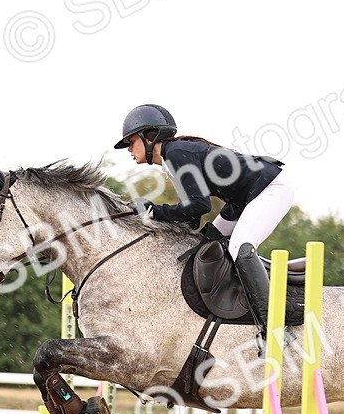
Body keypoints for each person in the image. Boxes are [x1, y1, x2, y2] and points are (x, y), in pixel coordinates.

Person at [113, 103, 294, 339]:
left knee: (240, 247)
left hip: (270, 189)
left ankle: (275, 327)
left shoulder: (177, 154)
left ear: (149, 137)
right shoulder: (171, 158)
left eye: (131, 142)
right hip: (241, 201)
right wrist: (153, 220)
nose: (128, 149)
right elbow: (193, 220)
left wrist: (154, 211)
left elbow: (199, 206)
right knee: (204, 246)